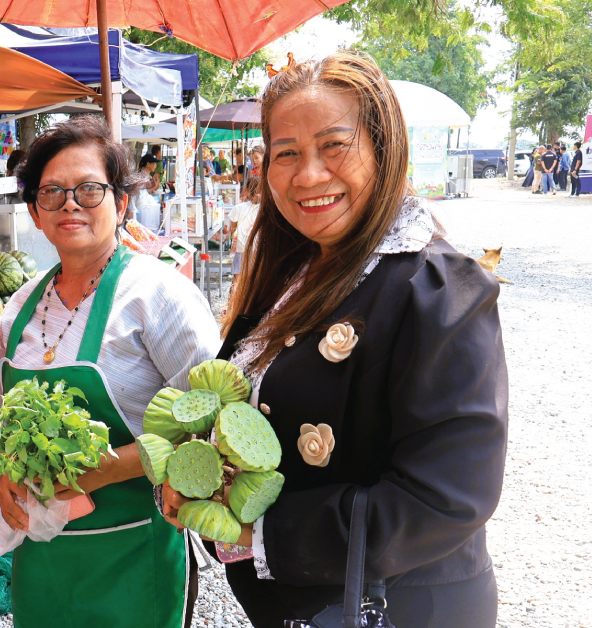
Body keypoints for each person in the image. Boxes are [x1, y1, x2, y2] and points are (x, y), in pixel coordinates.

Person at [163, 51, 507, 628]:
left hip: (397, 607)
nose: (308, 175)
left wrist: (262, 530)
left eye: (334, 145)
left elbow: (446, 498)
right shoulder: (293, 272)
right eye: (286, 153)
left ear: (384, 147)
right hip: (303, 605)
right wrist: (192, 471)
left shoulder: (439, 288)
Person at [0, 117, 221, 628]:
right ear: (35, 211)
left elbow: (209, 421)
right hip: (43, 559)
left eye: (90, 189)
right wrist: (3, 472)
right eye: (51, 192)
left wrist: (108, 467)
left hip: (135, 551)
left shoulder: (158, 295)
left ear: (120, 204)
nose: (70, 203)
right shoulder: (20, 308)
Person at [229, 177, 261, 279]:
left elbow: (232, 229)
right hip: (258, 249)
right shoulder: (265, 209)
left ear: (247, 190)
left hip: (242, 248)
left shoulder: (238, 208)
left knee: (237, 281)